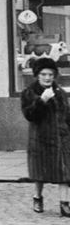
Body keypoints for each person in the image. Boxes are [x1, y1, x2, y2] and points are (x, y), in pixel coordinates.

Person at [20, 56, 70, 216]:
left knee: (64, 172)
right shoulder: (29, 93)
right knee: (40, 173)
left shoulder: (60, 93)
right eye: (44, 74)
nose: (47, 78)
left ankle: (64, 203)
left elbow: (67, 115)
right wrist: (42, 100)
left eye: (50, 74)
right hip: (40, 139)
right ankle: (38, 197)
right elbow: (30, 115)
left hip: (61, 139)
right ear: (37, 75)